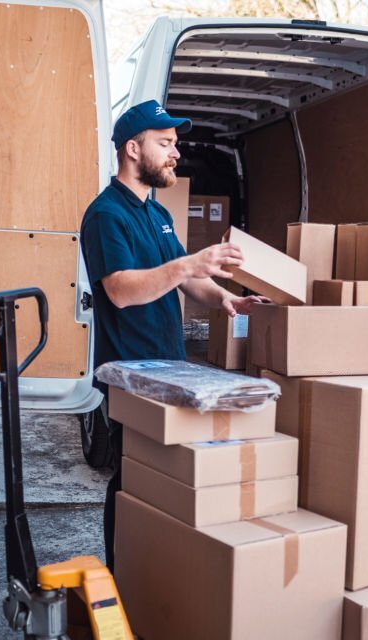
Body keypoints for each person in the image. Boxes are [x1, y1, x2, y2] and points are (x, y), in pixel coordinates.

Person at [81, 100, 266, 569]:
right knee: (131, 477)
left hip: (168, 368)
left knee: (161, 475)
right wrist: (188, 263)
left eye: (175, 144)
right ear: (131, 148)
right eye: (165, 144)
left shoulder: (156, 212)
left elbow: (186, 279)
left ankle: (152, 568)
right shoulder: (107, 215)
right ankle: (123, 571)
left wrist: (225, 299)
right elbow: (121, 290)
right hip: (130, 373)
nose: (175, 153)